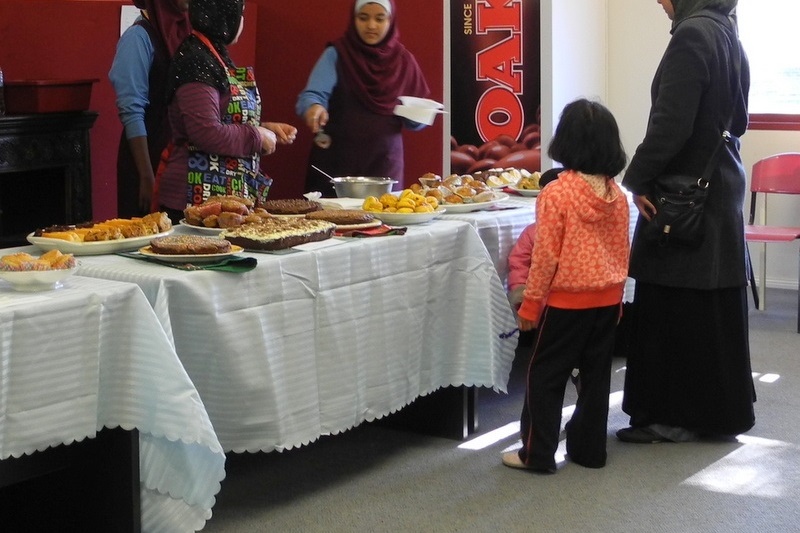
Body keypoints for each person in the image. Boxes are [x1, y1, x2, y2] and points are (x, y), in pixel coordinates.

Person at [616, 0, 755, 445]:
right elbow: (741, 121)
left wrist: (634, 179)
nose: (659, 0)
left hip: (685, 191)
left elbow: (670, 125)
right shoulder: (727, 30)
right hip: (721, 179)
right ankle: (716, 414)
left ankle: (669, 416)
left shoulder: (692, 35)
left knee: (672, 303)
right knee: (710, 305)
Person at [502, 99, 629, 473]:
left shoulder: (556, 193)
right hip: (606, 303)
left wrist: (529, 306)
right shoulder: (616, 196)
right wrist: (618, 301)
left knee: (544, 376)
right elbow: (622, 253)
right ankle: (590, 451)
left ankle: (536, 454)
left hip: (565, 305)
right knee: (595, 378)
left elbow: (545, 258)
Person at [157, 0, 297, 223]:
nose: (242, 22)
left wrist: (263, 128)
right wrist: (256, 136)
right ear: (223, 14)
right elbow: (205, 132)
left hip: (223, 200)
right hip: (193, 204)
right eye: (240, 14)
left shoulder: (212, 56)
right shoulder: (196, 60)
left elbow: (220, 117)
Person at [296, 0, 431, 196]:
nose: (371, 26)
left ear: (390, 20)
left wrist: (417, 116)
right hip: (336, 161)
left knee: (384, 221)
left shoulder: (403, 61)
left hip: (384, 163)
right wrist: (314, 107)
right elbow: (313, 94)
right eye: (363, 18)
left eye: (379, 18)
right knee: (332, 222)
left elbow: (416, 121)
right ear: (354, 19)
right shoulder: (337, 54)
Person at [109, 0, 191, 218]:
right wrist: (146, 176)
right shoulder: (138, 37)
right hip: (147, 158)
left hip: (177, 163)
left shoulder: (184, 31)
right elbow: (132, 110)